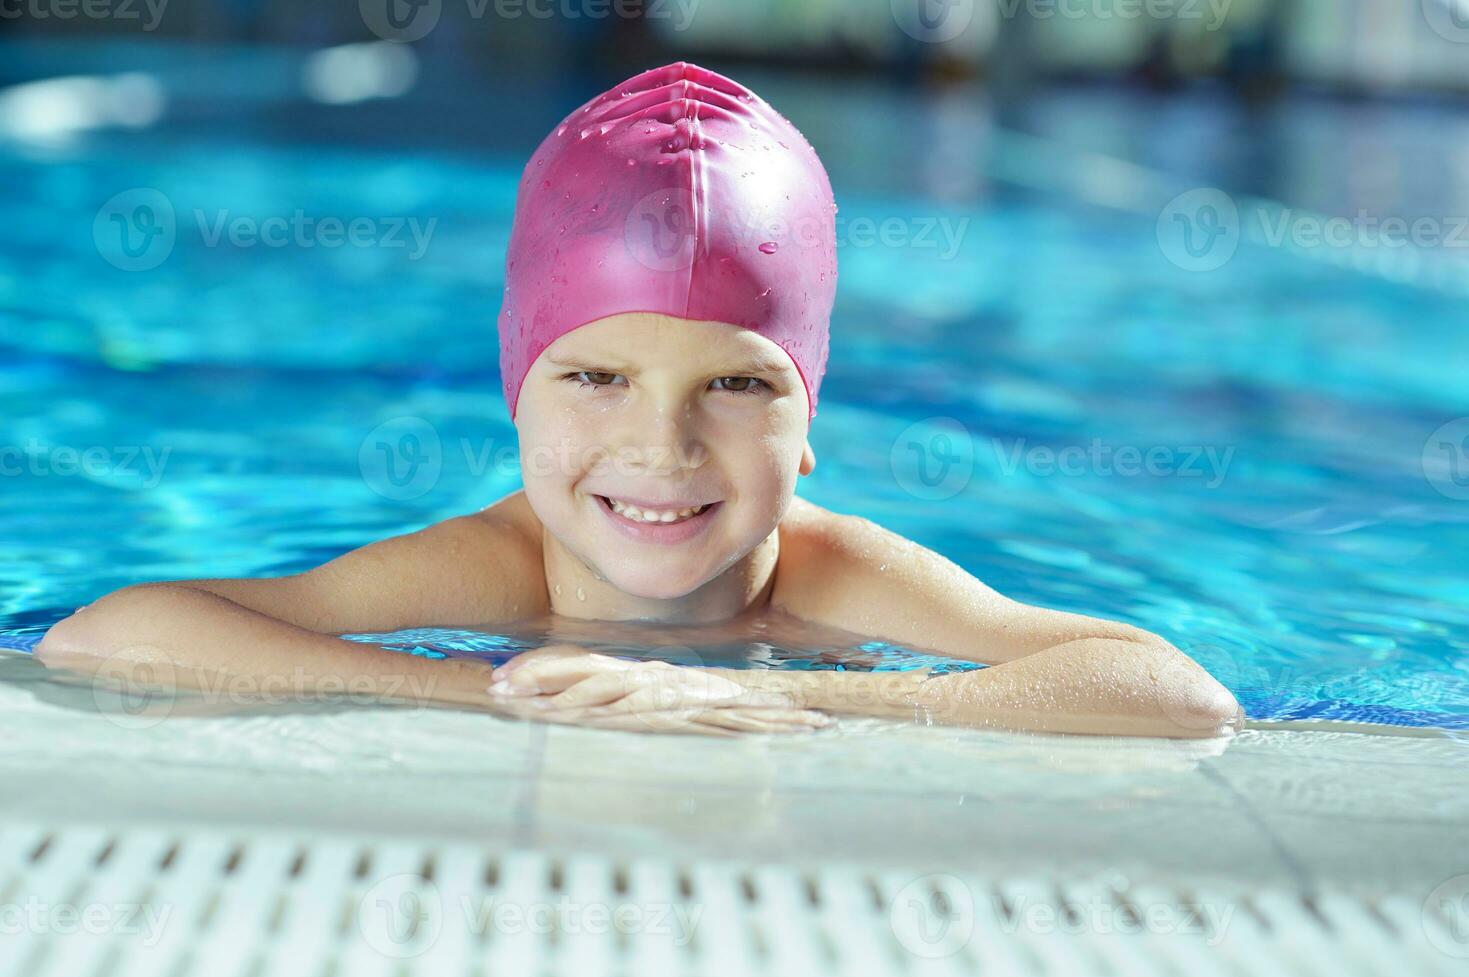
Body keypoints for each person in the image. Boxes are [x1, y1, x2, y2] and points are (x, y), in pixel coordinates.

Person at [36, 62, 1241, 739]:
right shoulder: (485, 574)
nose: (658, 446)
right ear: (516, 398)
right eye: (595, 374)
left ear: (807, 420)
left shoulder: (833, 578)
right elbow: (102, 632)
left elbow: (1173, 691)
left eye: (734, 382)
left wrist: (735, 690)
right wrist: (503, 686)